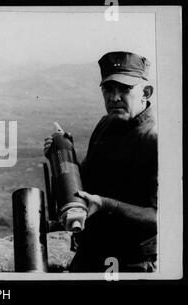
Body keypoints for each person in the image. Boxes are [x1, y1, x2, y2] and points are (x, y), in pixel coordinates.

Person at [44, 51, 158, 272]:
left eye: (124, 89)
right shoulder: (106, 124)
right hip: (91, 252)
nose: (114, 98)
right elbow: (85, 180)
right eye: (108, 89)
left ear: (145, 92)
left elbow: (159, 217)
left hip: (132, 262)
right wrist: (62, 152)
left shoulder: (155, 139)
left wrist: (106, 204)